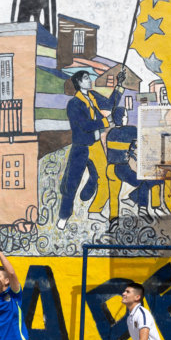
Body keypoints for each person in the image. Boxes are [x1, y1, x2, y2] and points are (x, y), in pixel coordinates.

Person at [57, 68, 125, 229]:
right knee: (71, 183)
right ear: (79, 83)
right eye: (86, 78)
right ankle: (64, 216)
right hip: (80, 147)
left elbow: (110, 104)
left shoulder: (93, 97)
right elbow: (85, 125)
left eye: (89, 77)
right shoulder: (74, 103)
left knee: (105, 178)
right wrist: (105, 122)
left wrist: (119, 85)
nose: (89, 80)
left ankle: (95, 209)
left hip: (95, 146)